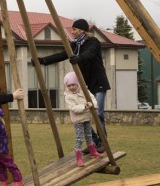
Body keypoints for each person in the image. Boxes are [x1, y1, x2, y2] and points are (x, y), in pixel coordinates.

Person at [36, 18, 110, 152]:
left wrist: (79, 58)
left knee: (97, 113)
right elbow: (61, 55)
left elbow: (90, 53)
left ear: (82, 30)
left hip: (98, 83)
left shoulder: (93, 42)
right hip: (85, 85)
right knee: (84, 116)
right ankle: (93, 142)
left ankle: (103, 142)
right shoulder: (75, 45)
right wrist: (42, 61)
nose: (72, 31)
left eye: (74, 29)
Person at [63, 72, 102, 166]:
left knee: (89, 136)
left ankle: (93, 152)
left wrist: (92, 104)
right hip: (78, 121)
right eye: (69, 86)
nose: (71, 87)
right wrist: (85, 106)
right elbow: (73, 108)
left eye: (73, 85)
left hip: (86, 118)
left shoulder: (84, 91)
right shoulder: (68, 96)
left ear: (78, 84)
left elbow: (92, 98)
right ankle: (79, 158)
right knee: (79, 138)